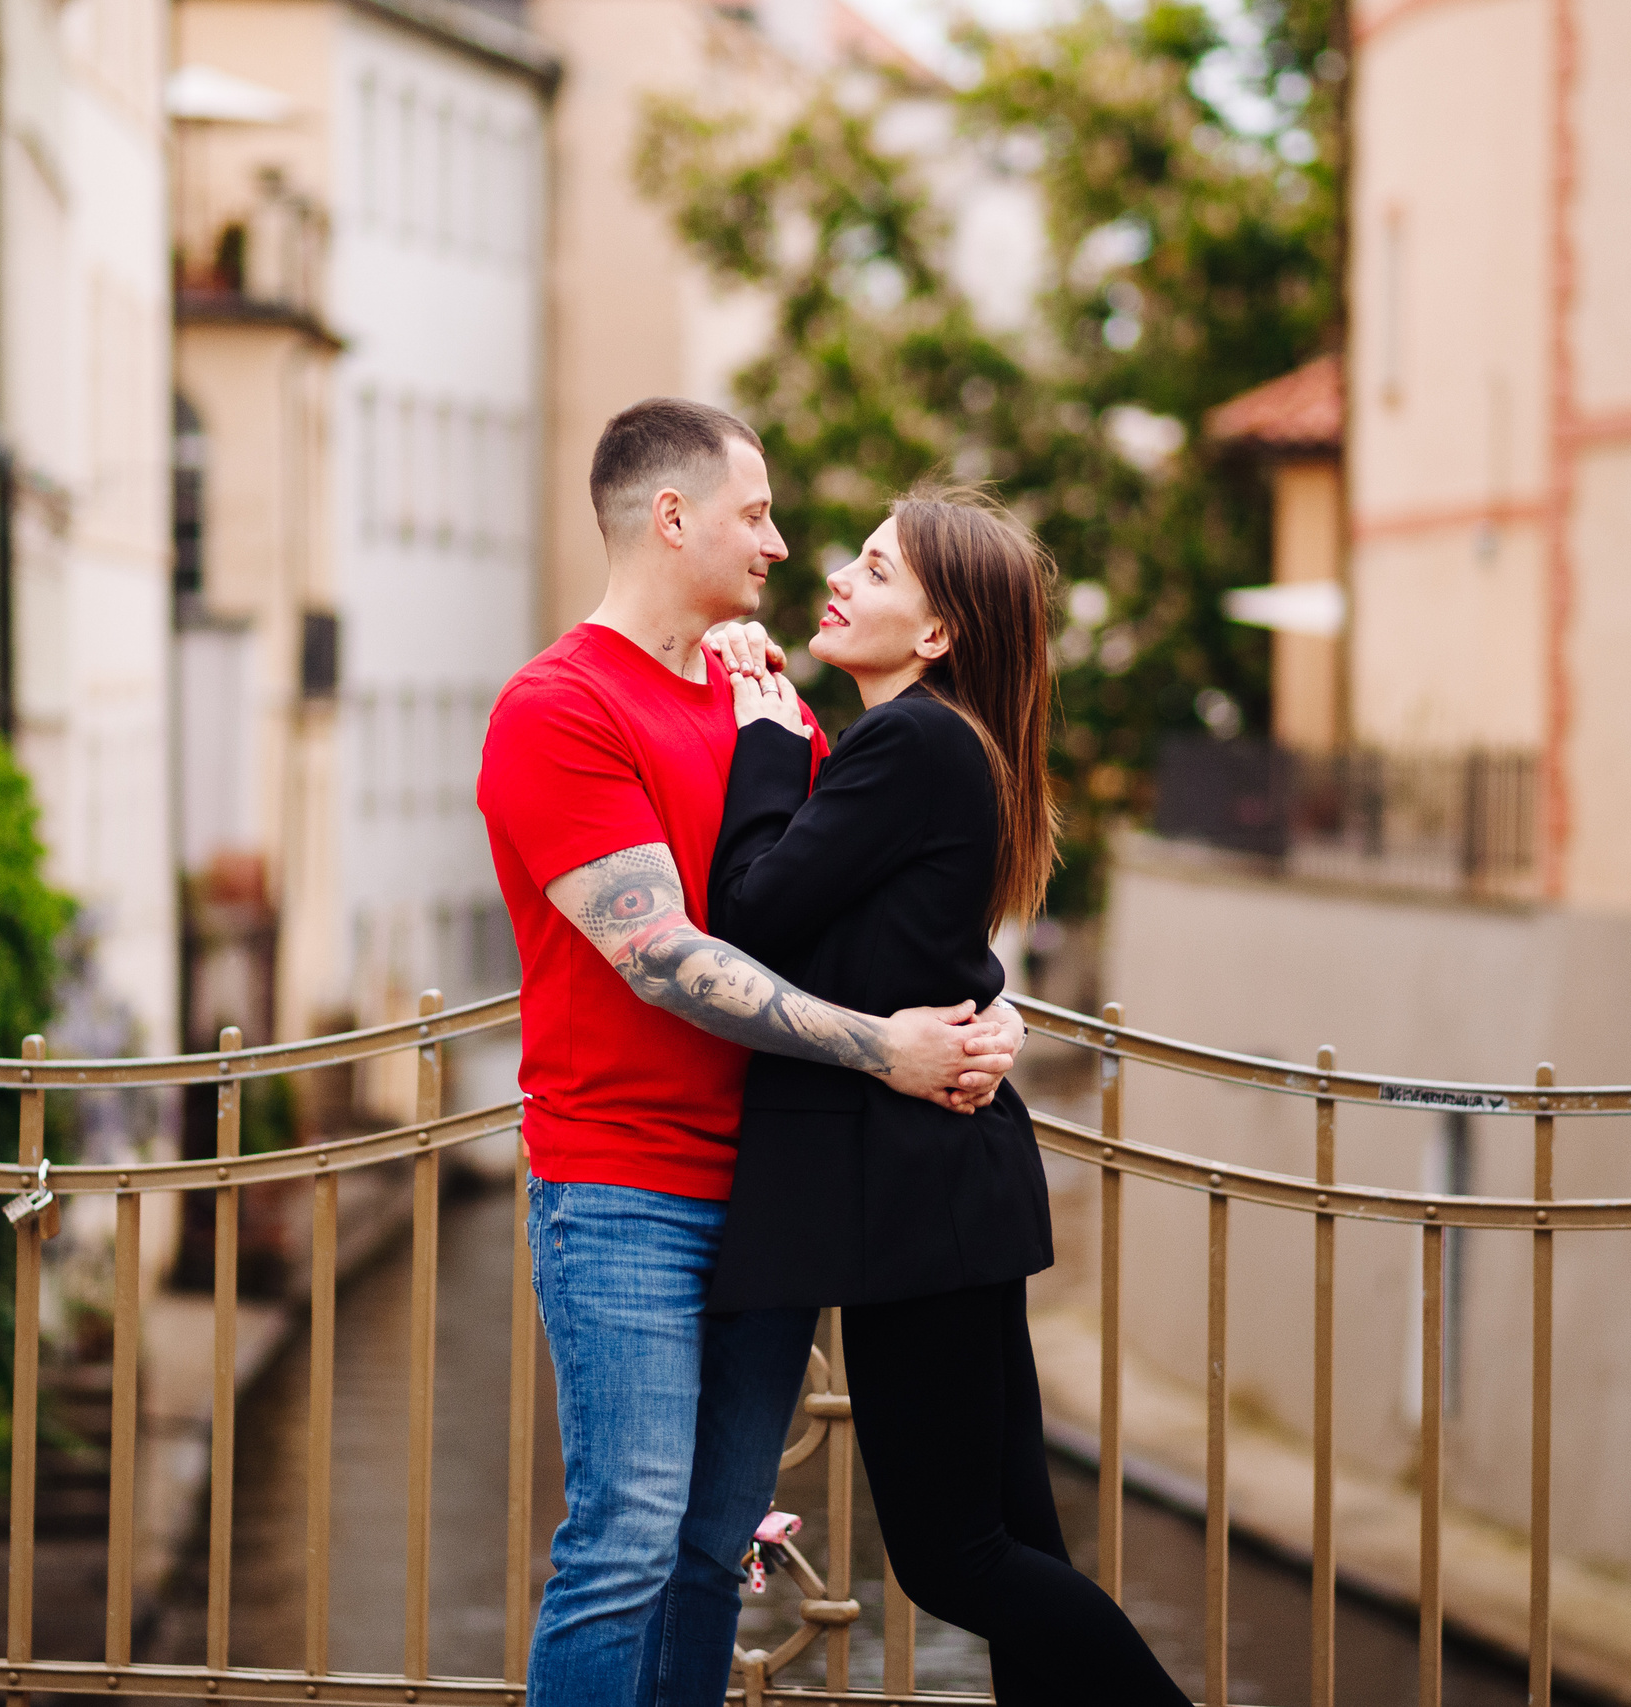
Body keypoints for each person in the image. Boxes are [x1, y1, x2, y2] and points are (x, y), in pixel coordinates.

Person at [475, 398, 1029, 1707]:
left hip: (774, 1194)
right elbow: (664, 953)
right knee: (623, 1541)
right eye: (757, 512)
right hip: (625, 1186)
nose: (782, 544)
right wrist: (879, 1051)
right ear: (674, 519)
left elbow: (861, 919)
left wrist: (994, 1015)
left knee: (710, 1553)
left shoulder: (761, 703)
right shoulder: (557, 706)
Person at [703, 484, 1192, 1705]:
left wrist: (765, 741)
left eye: (875, 570)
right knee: (1016, 1536)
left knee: (955, 1557)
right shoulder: (942, 744)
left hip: (912, 1198)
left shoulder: (910, 742)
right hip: (948, 1184)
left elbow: (752, 913)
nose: (840, 578)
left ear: (934, 635)